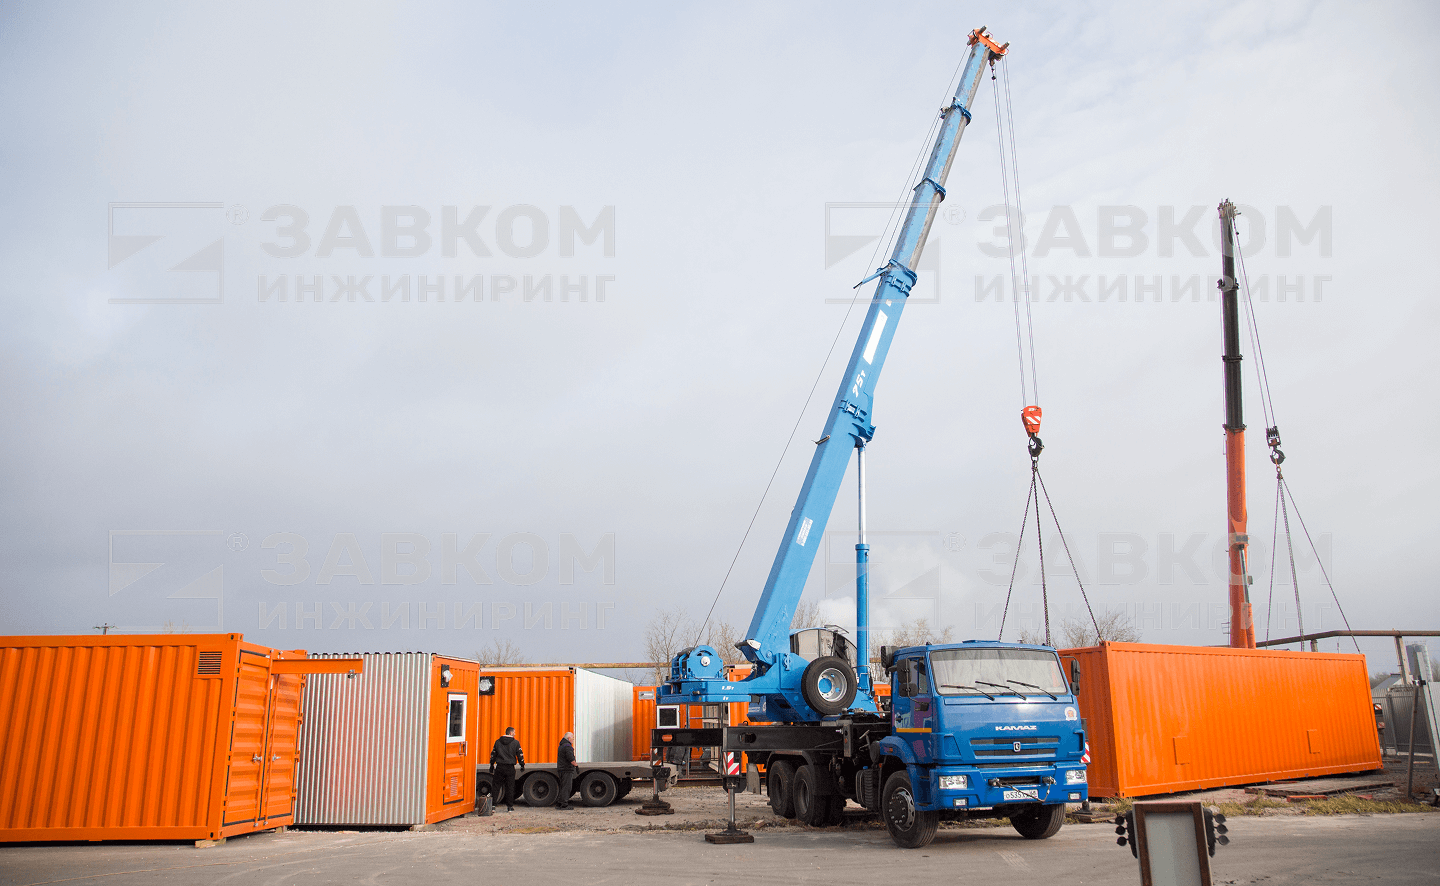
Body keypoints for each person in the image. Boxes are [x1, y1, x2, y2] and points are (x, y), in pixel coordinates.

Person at [489, 727, 525, 811]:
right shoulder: (515, 743)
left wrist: (491, 765)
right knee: (510, 787)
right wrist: (522, 765)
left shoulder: (497, 742)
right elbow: (520, 755)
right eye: (514, 732)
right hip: (510, 767)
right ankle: (510, 807)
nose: (515, 734)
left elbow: (493, 754)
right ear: (510, 733)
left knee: (496, 786)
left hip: (500, 767)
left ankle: (493, 805)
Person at [555, 732, 579, 809]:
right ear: (569, 738)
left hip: (561, 769)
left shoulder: (561, 746)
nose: (573, 740)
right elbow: (571, 758)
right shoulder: (568, 747)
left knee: (563, 786)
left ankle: (559, 803)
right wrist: (576, 766)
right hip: (567, 769)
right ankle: (564, 804)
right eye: (572, 738)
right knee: (567, 787)